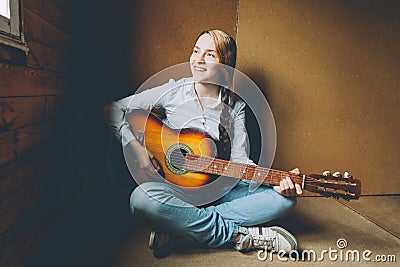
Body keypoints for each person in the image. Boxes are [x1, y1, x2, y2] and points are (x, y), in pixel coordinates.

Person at [104, 29, 303, 258]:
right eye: (196, 51)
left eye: (209, 55)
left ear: (225, 66)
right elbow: (112, 109)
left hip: (218, 189)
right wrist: (137, 149)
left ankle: (181, 227)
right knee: (141, 200)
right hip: (175, 192)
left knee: (283, 201)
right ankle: (240, 237)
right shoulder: (173, 91)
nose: (198, 60)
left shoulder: (234, 106)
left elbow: (240, 161)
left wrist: (273, 181)